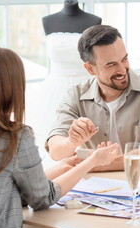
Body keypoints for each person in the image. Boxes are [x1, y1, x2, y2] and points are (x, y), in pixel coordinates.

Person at [0, 46, 118, 228]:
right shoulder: (14, 138)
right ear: (10, 88)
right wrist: (92, 161)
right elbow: (43, 198)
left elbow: (6, 185)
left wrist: (62, 167)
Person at [46, 25, 140, 171]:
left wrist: (94, 164)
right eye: (111, 65)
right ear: (90, 69)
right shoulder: (75, 95)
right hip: (96, 187)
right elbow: (55, 150)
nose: (122, 70)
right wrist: (70, 142)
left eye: (124, 59)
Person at [25, 0, 102, 151]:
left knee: (88, 138)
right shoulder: (47, 21)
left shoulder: (94, 21)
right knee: (53, 136)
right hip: (54, 88)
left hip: (86, 86)